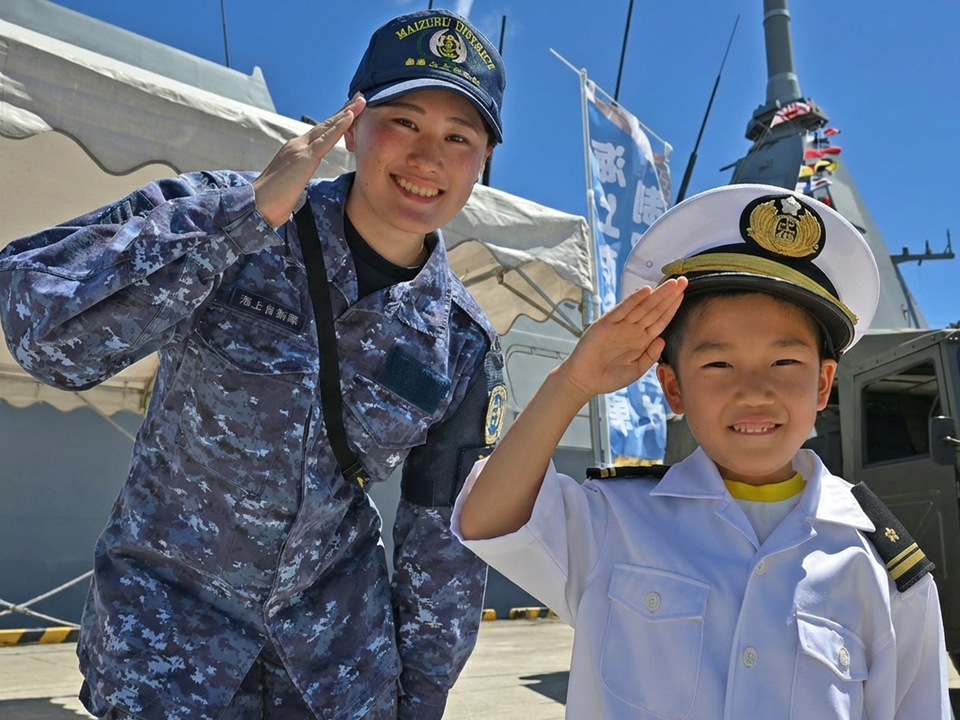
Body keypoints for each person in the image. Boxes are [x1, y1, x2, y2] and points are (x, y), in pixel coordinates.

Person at [0, 8, 508, 719]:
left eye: (459, 138)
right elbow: (42, 332)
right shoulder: (231, 215)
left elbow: (443, 547)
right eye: (405, 121)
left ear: (482, 163)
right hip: (166, 653)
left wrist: (416, 703)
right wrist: (244, 216)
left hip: (335, 672)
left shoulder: (458, 343)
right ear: (353, 125)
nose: (428, 158)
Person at [453, 184, 951, 719]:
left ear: (824, 385)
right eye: (718, 365)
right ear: (673, 387)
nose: (754, 390)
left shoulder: (882, 567)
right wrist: (572, 381)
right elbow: (488, 519)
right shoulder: (613, 521)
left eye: (785, 364)